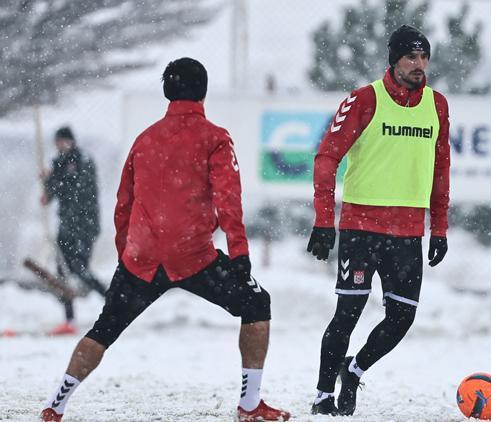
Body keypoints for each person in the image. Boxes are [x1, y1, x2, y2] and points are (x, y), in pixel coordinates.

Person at [40, 58, 290, 422]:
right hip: (194, 257)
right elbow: (229, 200)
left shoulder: (144, 140)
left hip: (140, 259)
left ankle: (55, 405)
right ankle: (250, 405)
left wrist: (127, 253)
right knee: (257, 303)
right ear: (203, 91)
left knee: (103, 330)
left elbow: (123, 203)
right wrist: (239, 253)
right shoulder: (215, 138)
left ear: (166, 92)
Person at [306, 25, 450, 416]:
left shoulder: (437, 105)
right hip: (361, 228)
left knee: (403, 316)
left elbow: (441, 170)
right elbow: (326, 158)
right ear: (394, 60)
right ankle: (322, 396)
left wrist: (439, 228)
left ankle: (353, 371)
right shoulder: (364, 99)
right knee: (348, 313)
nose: (419, 65)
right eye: (411, 57)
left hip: (407, 233)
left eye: (424, 57)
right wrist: (323, 220)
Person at [41, 126, 106, 335]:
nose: (59, 146)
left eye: (62, 141)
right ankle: (69, 319)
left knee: (80, 269)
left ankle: (114, 303)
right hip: (66, 225)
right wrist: (46, 182)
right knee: (62, 270)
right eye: (57, 142)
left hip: (84, 225)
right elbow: (53, 193)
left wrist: (53, 180)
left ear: (70, 141)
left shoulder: (83, 161)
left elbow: (75, 189)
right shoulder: (58, 162)